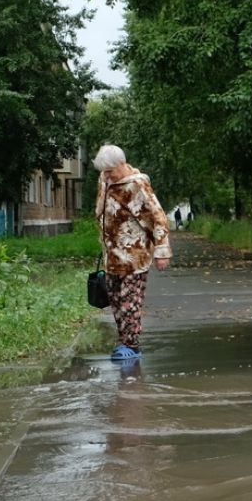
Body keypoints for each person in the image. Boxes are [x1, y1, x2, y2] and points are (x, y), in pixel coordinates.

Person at [94, 144, 171, 360]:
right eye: (104, 172)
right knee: (116, 300)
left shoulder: (137, 186)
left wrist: (162, 251)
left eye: (110, 171)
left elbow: (158, 217)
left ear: (121, 164)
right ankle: (123, 340)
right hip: (112, 255)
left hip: (134, 255)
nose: (107, 176)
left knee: (130, 301)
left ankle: (132, 344)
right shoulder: (105, 179)